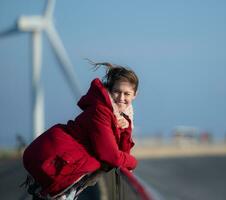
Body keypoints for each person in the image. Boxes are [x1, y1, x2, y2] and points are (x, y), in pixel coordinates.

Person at [22, 61, 139, 199]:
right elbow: (111, 156)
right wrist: (134, 162)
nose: (121, 98)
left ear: (134, 95)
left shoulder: (120, 116)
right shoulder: (101, 111)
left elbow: (121, 152)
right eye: (117, 92)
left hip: (68, 168)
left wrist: (125, 129)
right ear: (109, 90)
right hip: (59, 166)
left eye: (127, 94)